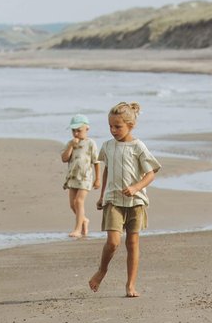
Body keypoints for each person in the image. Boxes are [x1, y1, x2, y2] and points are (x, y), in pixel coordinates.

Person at [89, 100, 160, 299]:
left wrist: (136, 187)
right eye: (110, 126)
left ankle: (130, 285)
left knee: (132, 243)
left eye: (117, 126)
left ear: (131, 125)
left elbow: (151, 174)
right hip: (113, 200)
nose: (113, 130)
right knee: (112, 242)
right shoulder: (107, 146)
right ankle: (102, 270)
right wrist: (102, 195)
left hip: (136, 202)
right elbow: (107, 171)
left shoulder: (138, 147)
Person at [60, 115, 101, 238]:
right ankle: (84, 220)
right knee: (73, 204)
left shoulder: (90, 143)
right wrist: (71, 146)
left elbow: (96, 162)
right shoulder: (70, 143)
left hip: (85, 177)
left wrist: (98, 178)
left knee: (79, 201)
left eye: (79, 130)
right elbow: (64, 158)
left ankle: (77, 229)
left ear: (86, 129)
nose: (76, 133)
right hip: (73, 177)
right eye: (74, 131)